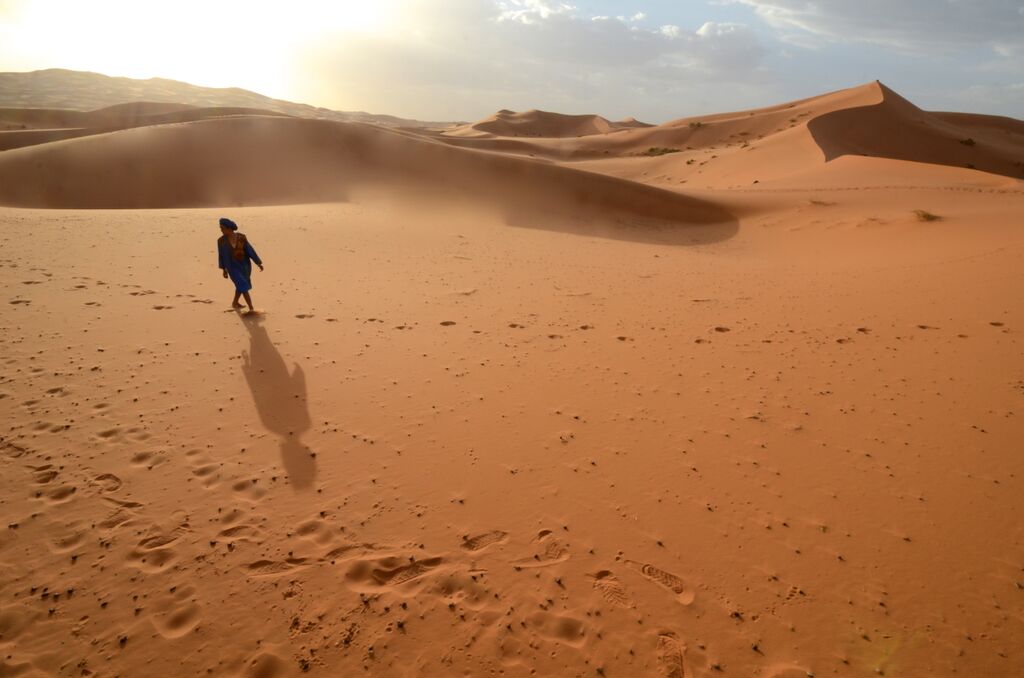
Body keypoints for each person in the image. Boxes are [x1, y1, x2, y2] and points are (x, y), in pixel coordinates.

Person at [217, 217, 264, 312]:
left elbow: (250, 250)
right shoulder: (221, 241)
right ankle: (251, 308)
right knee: (242, 285)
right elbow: (221, 255)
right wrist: (224, 270)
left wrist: (258, 263)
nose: (221, 230)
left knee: (240, 285)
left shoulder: (242, 237)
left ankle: (235, 302)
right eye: (220, 228)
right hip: (232, 267)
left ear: (229, 228)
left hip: (245, 266)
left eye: (222, 228)